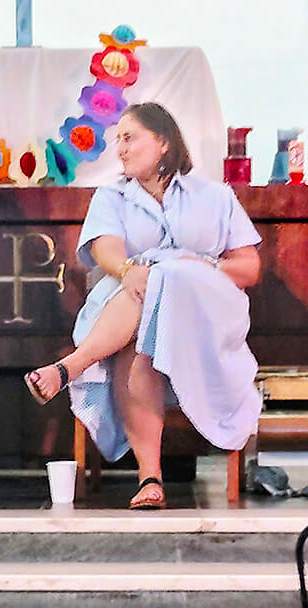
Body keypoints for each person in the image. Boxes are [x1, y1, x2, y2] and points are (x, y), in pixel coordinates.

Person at [25, 103, 263, 509]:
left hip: (203, 315)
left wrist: (201, 266)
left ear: (163, 141)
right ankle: (150, 478)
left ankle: (72, 366)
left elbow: (249, 267)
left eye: (129, 137)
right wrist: (129, 269)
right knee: (140, 341)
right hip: (131, 309)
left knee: (166, 274)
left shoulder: (214, 196)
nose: (120, 148)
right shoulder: (112, 197)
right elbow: (105, 249)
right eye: (117, 139)